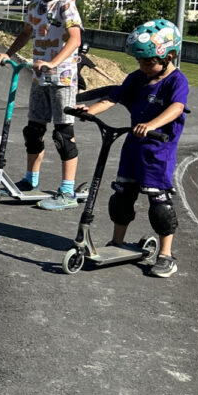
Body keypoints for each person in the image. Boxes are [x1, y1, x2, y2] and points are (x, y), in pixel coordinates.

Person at [72, 19, 189, 278]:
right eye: (140, 61)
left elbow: (176, 108)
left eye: (149, 62)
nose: (143, 66)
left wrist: (151, 124)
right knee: (122, 196)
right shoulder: (137, 78)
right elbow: (113, 98)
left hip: (158, 151)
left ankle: (166, 255)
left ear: (169, 56)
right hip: (133, 147)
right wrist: (88, 111)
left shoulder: (176, 81)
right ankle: (117, 242)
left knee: (159, 203)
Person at [0, 0, 84, 209]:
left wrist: (54, 63)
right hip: (38, 76)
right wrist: (8, 54)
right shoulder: (35, 4)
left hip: (62, 78)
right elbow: (26, 32)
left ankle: (67, 191)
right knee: (33, 131)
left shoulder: (66, 4)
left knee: (63, 134)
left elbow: (75, 39)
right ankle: (30, 180)